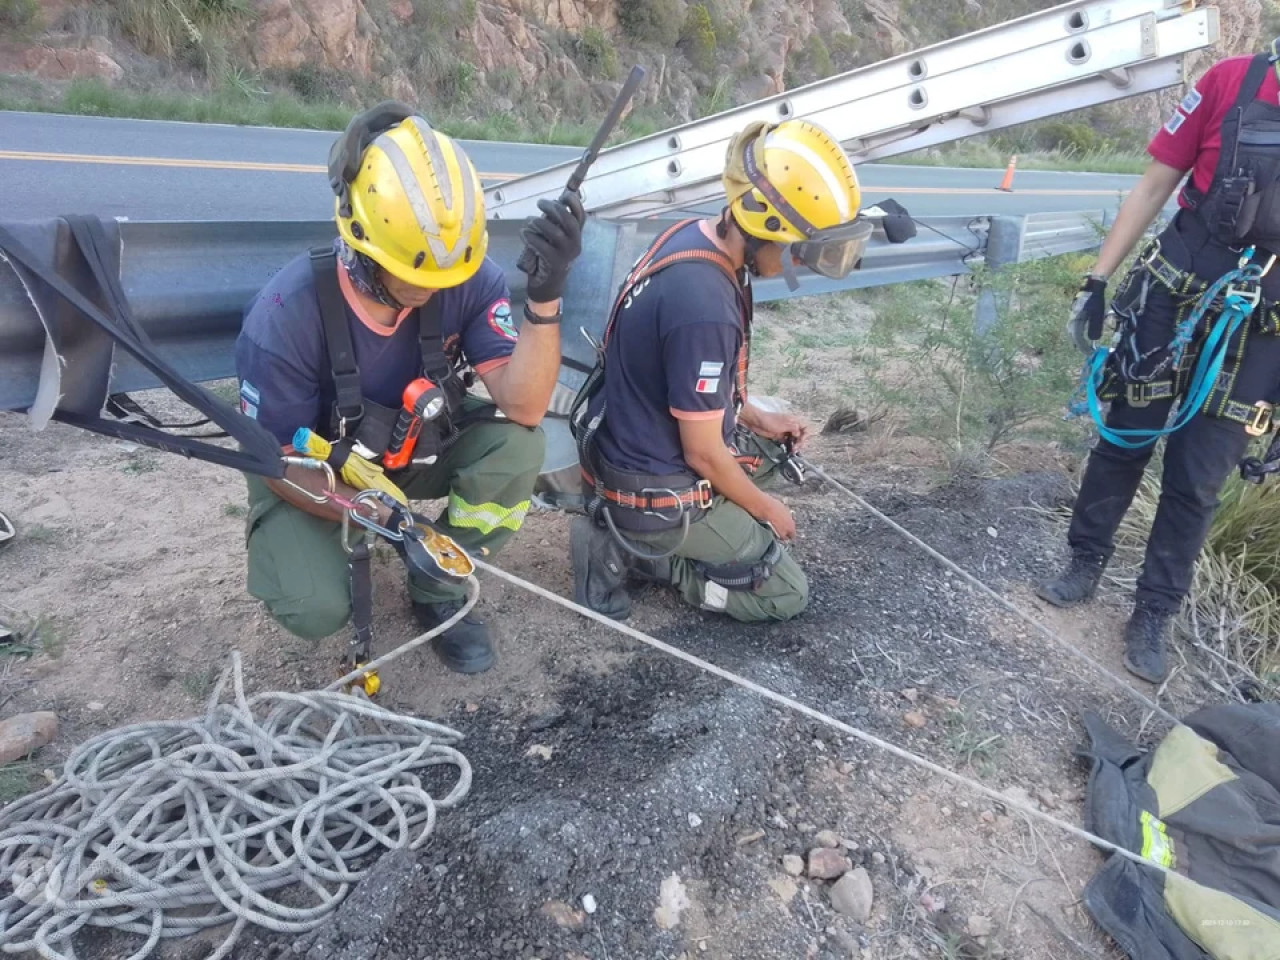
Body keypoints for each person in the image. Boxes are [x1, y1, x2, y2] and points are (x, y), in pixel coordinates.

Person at [234, 102, 584, 674]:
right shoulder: (285, 317)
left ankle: (439, 588)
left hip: (407, 448)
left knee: (518, 444)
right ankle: (327, 553)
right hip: (314, 469)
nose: (433, 290)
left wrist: (545, 298)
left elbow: (524, 404)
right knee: (315, 607)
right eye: (416, 275)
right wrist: (386, 521)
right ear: (364, 240)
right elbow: (280, 463)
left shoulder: (465, 278)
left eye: (446, 278)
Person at [1037, 43, 1280, 683]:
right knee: (1125, 435)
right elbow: (1154, 186)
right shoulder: (1232, 81)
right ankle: (1084, 561)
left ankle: (1153, 611)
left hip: (1261, 322)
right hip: (1175, 288)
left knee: (1200, 477)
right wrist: (1096, 281)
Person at [569, 118, 870, 623]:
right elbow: (704, 454)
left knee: (776, 449)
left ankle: (649, 538)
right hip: (652, 492)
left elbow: (685, 383)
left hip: (632, 444)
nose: (801, 259)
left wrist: (753, 417)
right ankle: (646, 559)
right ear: (766, 227)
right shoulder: (703, 305)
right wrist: (765, 510)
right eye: (800, 246)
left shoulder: (698, 237)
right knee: (784, 593)